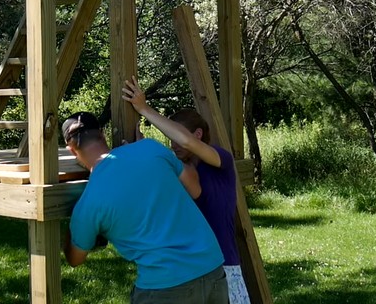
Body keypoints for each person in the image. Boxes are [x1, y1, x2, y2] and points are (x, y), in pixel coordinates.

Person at [61, 111, 228, 304]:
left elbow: (75, 258)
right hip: (212, 267)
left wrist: (71, 229)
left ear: (71, 150)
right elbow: (195, 188)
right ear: (102, 134)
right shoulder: (150, 148)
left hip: (165, 287)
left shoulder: (88, 203)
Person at [122, 77, 251, 304]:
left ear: (198, 135)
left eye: (176, 137)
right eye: (170, 139)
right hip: (192, 271)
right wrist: (140, 151)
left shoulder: (221, 159)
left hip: (224, 267)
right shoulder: (180, 170)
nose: (173, 144)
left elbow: (187, 143)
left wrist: (144, 108)